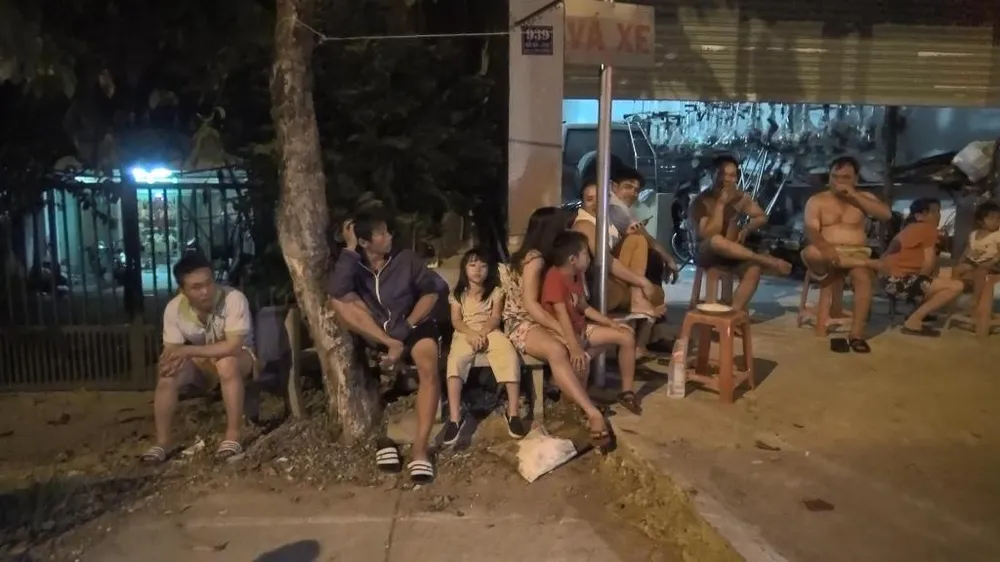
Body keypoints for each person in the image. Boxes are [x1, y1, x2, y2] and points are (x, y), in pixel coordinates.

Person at [327, 210, 442, 483]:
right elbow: (337, 290)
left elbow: (431, 294)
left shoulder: (405, 259)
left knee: (428, 367)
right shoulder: (354, 264)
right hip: (379, 333)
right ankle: (390, 346)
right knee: (339, 300)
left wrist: (406, 327)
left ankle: (420, 450)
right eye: (381, 234)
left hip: (414, 326)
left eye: (388, 231)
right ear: (364, 242)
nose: (389, 236)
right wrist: (350, 249)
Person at [499, 207, 613, 448]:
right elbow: (530, 306)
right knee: (558, 349)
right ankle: (591, 411)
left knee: (581, 344)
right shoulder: (534, 259)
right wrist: (561, 330)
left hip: (542, 319)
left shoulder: (548, 259)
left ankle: (575, 400)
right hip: (522, 322)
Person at [141, 252, 257, 464]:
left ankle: (233, 435)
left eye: (208, 283)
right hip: (202, 362)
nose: (205, 291)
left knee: (227, 363)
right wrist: (171, 360)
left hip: (240, 357)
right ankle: (163, 442)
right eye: (196, 287)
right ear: (182, 290)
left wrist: (188, 351)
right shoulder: (174, 309)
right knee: (168, 371)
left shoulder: (233, 299)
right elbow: (173, 350)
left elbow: (233, 346)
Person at [541, 231, 642, 415]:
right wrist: (574, 347)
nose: (589, 257)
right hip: (562, 333)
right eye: (585, 253)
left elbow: (584, 307)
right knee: (580, 362)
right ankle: (580, 405)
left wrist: (610, 323)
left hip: (581, 328)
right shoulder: (554, 277)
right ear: (573, 259)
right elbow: (562, 315)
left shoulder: (577, 274)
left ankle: (627, 392)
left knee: (626, 335)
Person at [800, 156, 892, 352]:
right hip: (826, 252)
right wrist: (826, 248)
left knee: (863, 279)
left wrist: (855, 196)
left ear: (856, 179)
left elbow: (886, 214)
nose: (838, 182)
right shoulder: (817, 200)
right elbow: (812, 231)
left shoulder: (863, 198)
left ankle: (856, 335)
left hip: (856, 253)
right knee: (810, 252)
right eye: (835, 176)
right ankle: (867, 264)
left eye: (845, 178)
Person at [442, 248, 526, 445]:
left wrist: (483, 333)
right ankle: (455, 418)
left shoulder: (495, 292)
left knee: (508, 354)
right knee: (455, 361)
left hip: (489, 330)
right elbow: (456, 320)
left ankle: (513, 413)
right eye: (472, 265)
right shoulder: (458, 294)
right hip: (465, 332)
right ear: (465, 269)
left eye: (483, 266)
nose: (478, 270)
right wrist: (471, 334)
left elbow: (495, 317)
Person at [689, 154, 792, 310]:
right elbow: (708, 234)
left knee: (754, 270)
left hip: (734, 252)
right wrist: (721, 204)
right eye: (722, 174)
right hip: (707, 252)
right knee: (717, 240)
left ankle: (734, 310)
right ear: (712, 174)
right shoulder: (700, 201)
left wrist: (746, 229)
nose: (727, 179)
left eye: (732, 175)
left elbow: (761, 217)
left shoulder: (740, 198)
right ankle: (767, 260)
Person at [572, 177, 665, 320]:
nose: (595, 203)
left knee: (657, 293)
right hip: (601, 286)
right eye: (589, 199)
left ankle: (637, 297)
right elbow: (605, 260)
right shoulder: (584, 224)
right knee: (653, 293)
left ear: (608, 199)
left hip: (617, 281)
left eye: (600, 199)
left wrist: (625, 237)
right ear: (582, 202)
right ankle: (637, 297)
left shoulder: (604, 219)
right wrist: (641, 281)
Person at [881, 198, 964, 337]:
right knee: (956, 286)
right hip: (898, 281)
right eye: (936, 211)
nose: (938, 215)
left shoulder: (909, 228)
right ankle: (914, 320)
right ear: (923, 214)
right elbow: (928, 262)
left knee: (939, 277)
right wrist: (925, 282)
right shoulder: (927, 228)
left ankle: (918, 312)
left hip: (886, 279)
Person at [952, 201, 1000, 301]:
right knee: (957, 270)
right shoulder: (973, 234)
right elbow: (968, 249)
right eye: (991, 218)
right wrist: (961, 260)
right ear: (980, 221)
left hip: (991, 263)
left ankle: (976, 298)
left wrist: (990, 262)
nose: (996, 221)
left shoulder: (997, 235)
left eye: (998, 218)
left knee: (980, 272)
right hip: (973, 261)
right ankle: (956, 290)